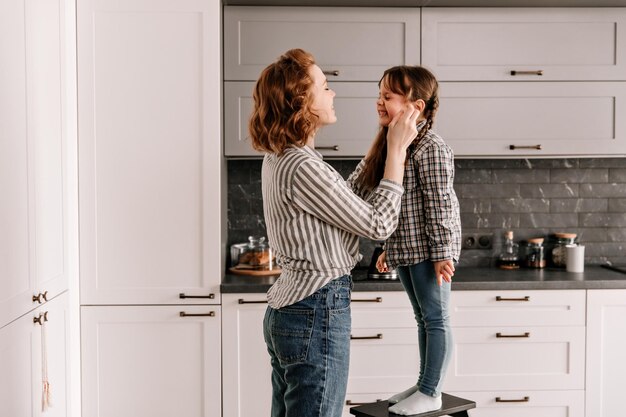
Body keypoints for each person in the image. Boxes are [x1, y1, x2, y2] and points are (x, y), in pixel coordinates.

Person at [248, 49, 419, 417]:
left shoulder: (288, 156)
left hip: (296, 309)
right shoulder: (300, 165)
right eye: (324, 87)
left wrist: (386, 140)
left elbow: (347, 199)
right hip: (316, 307)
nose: (332, 93)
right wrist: (397, 153)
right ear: (301, 101)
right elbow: (377, 224)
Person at [348, 65, 462, 415]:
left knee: (436, 318)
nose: (378, 102)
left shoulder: (431, 146)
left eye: (387, 96)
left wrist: (443, 253)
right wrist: (386, 247)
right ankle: (425, 383)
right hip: (408, 248)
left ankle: (432, 391)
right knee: (423, 318)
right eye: (379, 94)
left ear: (417, 105)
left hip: (430, 250)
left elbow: (440, 202)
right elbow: (393, 201)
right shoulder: (394, 143)